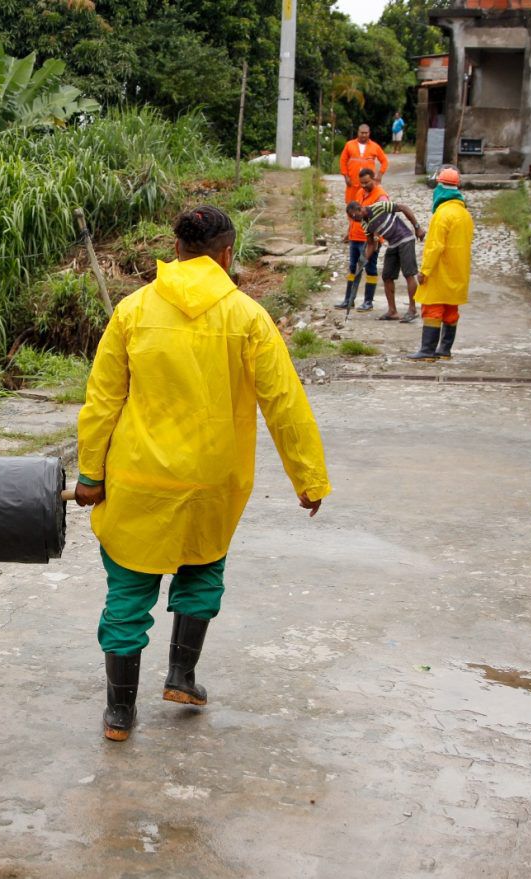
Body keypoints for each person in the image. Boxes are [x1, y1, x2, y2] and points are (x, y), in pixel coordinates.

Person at [74, 205, 332, 743]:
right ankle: (181, 677)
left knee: (127, 591)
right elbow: (284, 402)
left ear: (177, 250)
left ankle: (119, 715)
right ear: (227, 254)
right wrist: (308, 477)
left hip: (138, 479)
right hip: (212, 481)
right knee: (201, 573)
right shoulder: (247, 317)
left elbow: (102, 401)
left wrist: (90, 473)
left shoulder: (133, 310)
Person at [409, 166, 475, 361]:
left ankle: (427, 351)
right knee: (450, 310)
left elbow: (434, 247)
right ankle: (444, 350)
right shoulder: (465, 215)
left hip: (440, 271)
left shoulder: (442, 215)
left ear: (440, 188)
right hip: (459, 271)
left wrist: (424, 271)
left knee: (432, 309)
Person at [345, 197, 425, 322]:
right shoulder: (365, 224)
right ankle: (392, 311)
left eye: (355, 216)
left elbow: (403, 208)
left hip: (405, 239)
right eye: (353, 218)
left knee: (409, 274)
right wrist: (362, 262)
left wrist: (417, 227)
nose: (355, 219)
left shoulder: (379, 207)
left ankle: (412, 310)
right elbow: (371, 244)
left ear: (360, 209)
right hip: (393, 244)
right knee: (387, 276)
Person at [335, 167, 387, 312]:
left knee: (370, 268)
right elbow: (353, 214)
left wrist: (377, 237)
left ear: (374, 178)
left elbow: (383, 217)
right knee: (352, 268)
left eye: (366, 182)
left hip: (369, 239)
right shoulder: (360, 192)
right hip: (355, 237)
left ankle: (368, 302)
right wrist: (348, 232)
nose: (363, 186)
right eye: (361, 183)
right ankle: (348, 300)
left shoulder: (381, 196)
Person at [339, 123, 389, 204]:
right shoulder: (349, 145)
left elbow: (385, 161)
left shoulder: (375, 146)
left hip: (369, 182)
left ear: (369, 133)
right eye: (362, 133)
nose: (364, 135)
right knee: (351, 205)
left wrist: (379, 175)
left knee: (369, 204)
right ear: (358, 133)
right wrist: (346, 176)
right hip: (353, 181)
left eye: (366, 133)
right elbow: (343, 161)